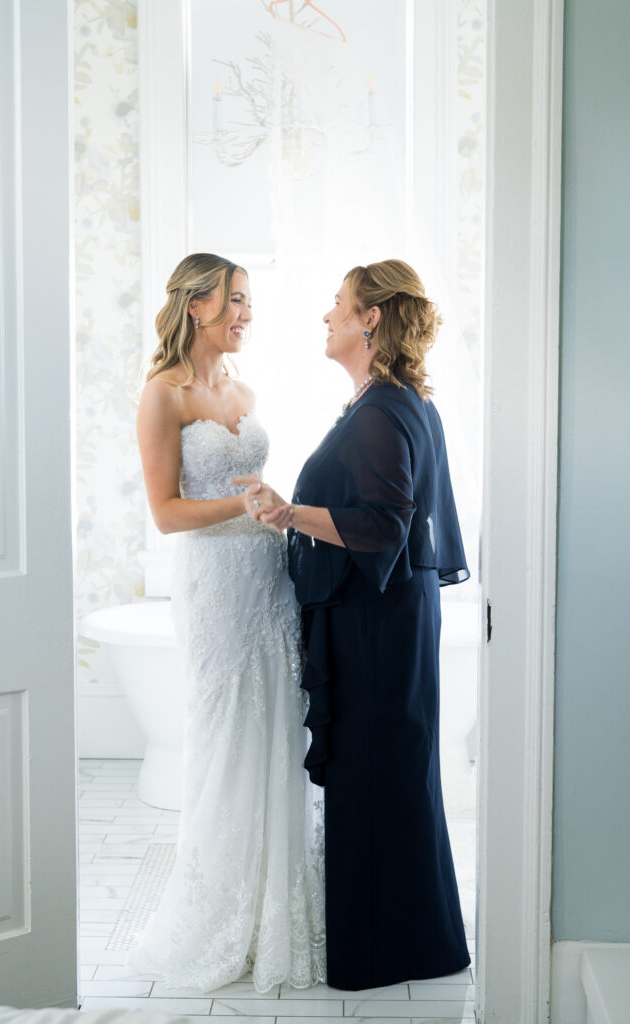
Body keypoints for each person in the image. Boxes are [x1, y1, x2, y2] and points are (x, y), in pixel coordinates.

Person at [235, 259, 470, 991]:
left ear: (371, 319)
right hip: (389, 619)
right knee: (394, 776)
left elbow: (382, 529)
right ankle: (417, 942)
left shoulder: (381, 411)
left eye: (337, 305)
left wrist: (285, 512)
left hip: (377, 628)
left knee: (379, 777)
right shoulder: (394, 402)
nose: (326, 316)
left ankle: (386, 953)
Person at [128, 252, 325, 993]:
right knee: (226, 735)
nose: (246, 313)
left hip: (269, 582)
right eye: (235, 300)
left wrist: (274, 508)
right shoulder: (163, 395)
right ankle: (219, 913)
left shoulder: (244, 387)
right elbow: (167, 513)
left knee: (279, 729)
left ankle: (280, 906)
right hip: (215, 591)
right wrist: (244, 508)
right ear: (196, 306)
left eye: (248, 302)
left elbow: (258, 492)